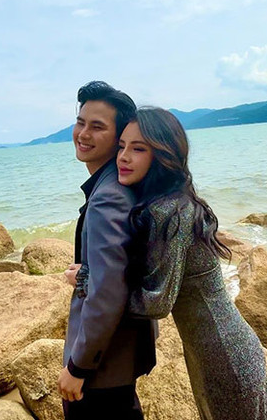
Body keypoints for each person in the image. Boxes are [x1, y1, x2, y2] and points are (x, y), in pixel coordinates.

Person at [115, 107, 267, 420]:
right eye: (121, 146)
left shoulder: (170, 211)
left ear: (163, 155)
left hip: (224, 355)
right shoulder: (175, 202)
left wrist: (93, 282)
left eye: (138, 149)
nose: (123, 156)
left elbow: (156, 303)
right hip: (217, 350)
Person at [58, 81, 157, 420]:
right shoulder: (119, 184)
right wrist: (87, 273)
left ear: (119, 138)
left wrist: (79, 366)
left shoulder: (108, 197)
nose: (83, 134)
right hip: (118, 359)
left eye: (97, 126)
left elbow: (109, 292)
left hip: (102, 369)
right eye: (80, 122)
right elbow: (119, 269)